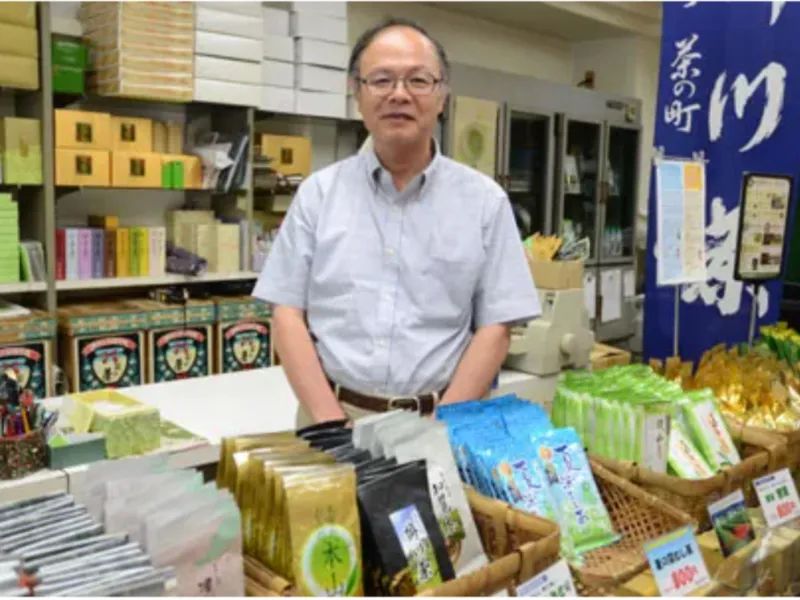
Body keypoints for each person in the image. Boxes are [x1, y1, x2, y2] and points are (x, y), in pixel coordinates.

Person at [253, 17, 541, 426]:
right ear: (356, 93)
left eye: (419, 81)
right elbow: (286, 315)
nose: (399, 94)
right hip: (331, 416)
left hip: (441, 418)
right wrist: (329, 422)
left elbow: (496, 328)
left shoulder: (485, 203)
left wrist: (441, 426)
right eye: (381, 80)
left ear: (441, 97)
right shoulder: (318, 195)